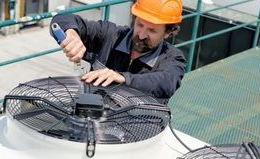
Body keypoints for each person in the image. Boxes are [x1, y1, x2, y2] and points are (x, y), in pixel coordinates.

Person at [50, 0, 186, 104]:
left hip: (139, 129)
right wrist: (70, 32)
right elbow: (61, 19)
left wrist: (123, 78)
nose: (142, 35)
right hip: (93, 118)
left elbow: (167, 82)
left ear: (169, 33)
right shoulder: (110, 35)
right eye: (140, 25)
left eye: (152, 30)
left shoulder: (173, 58)